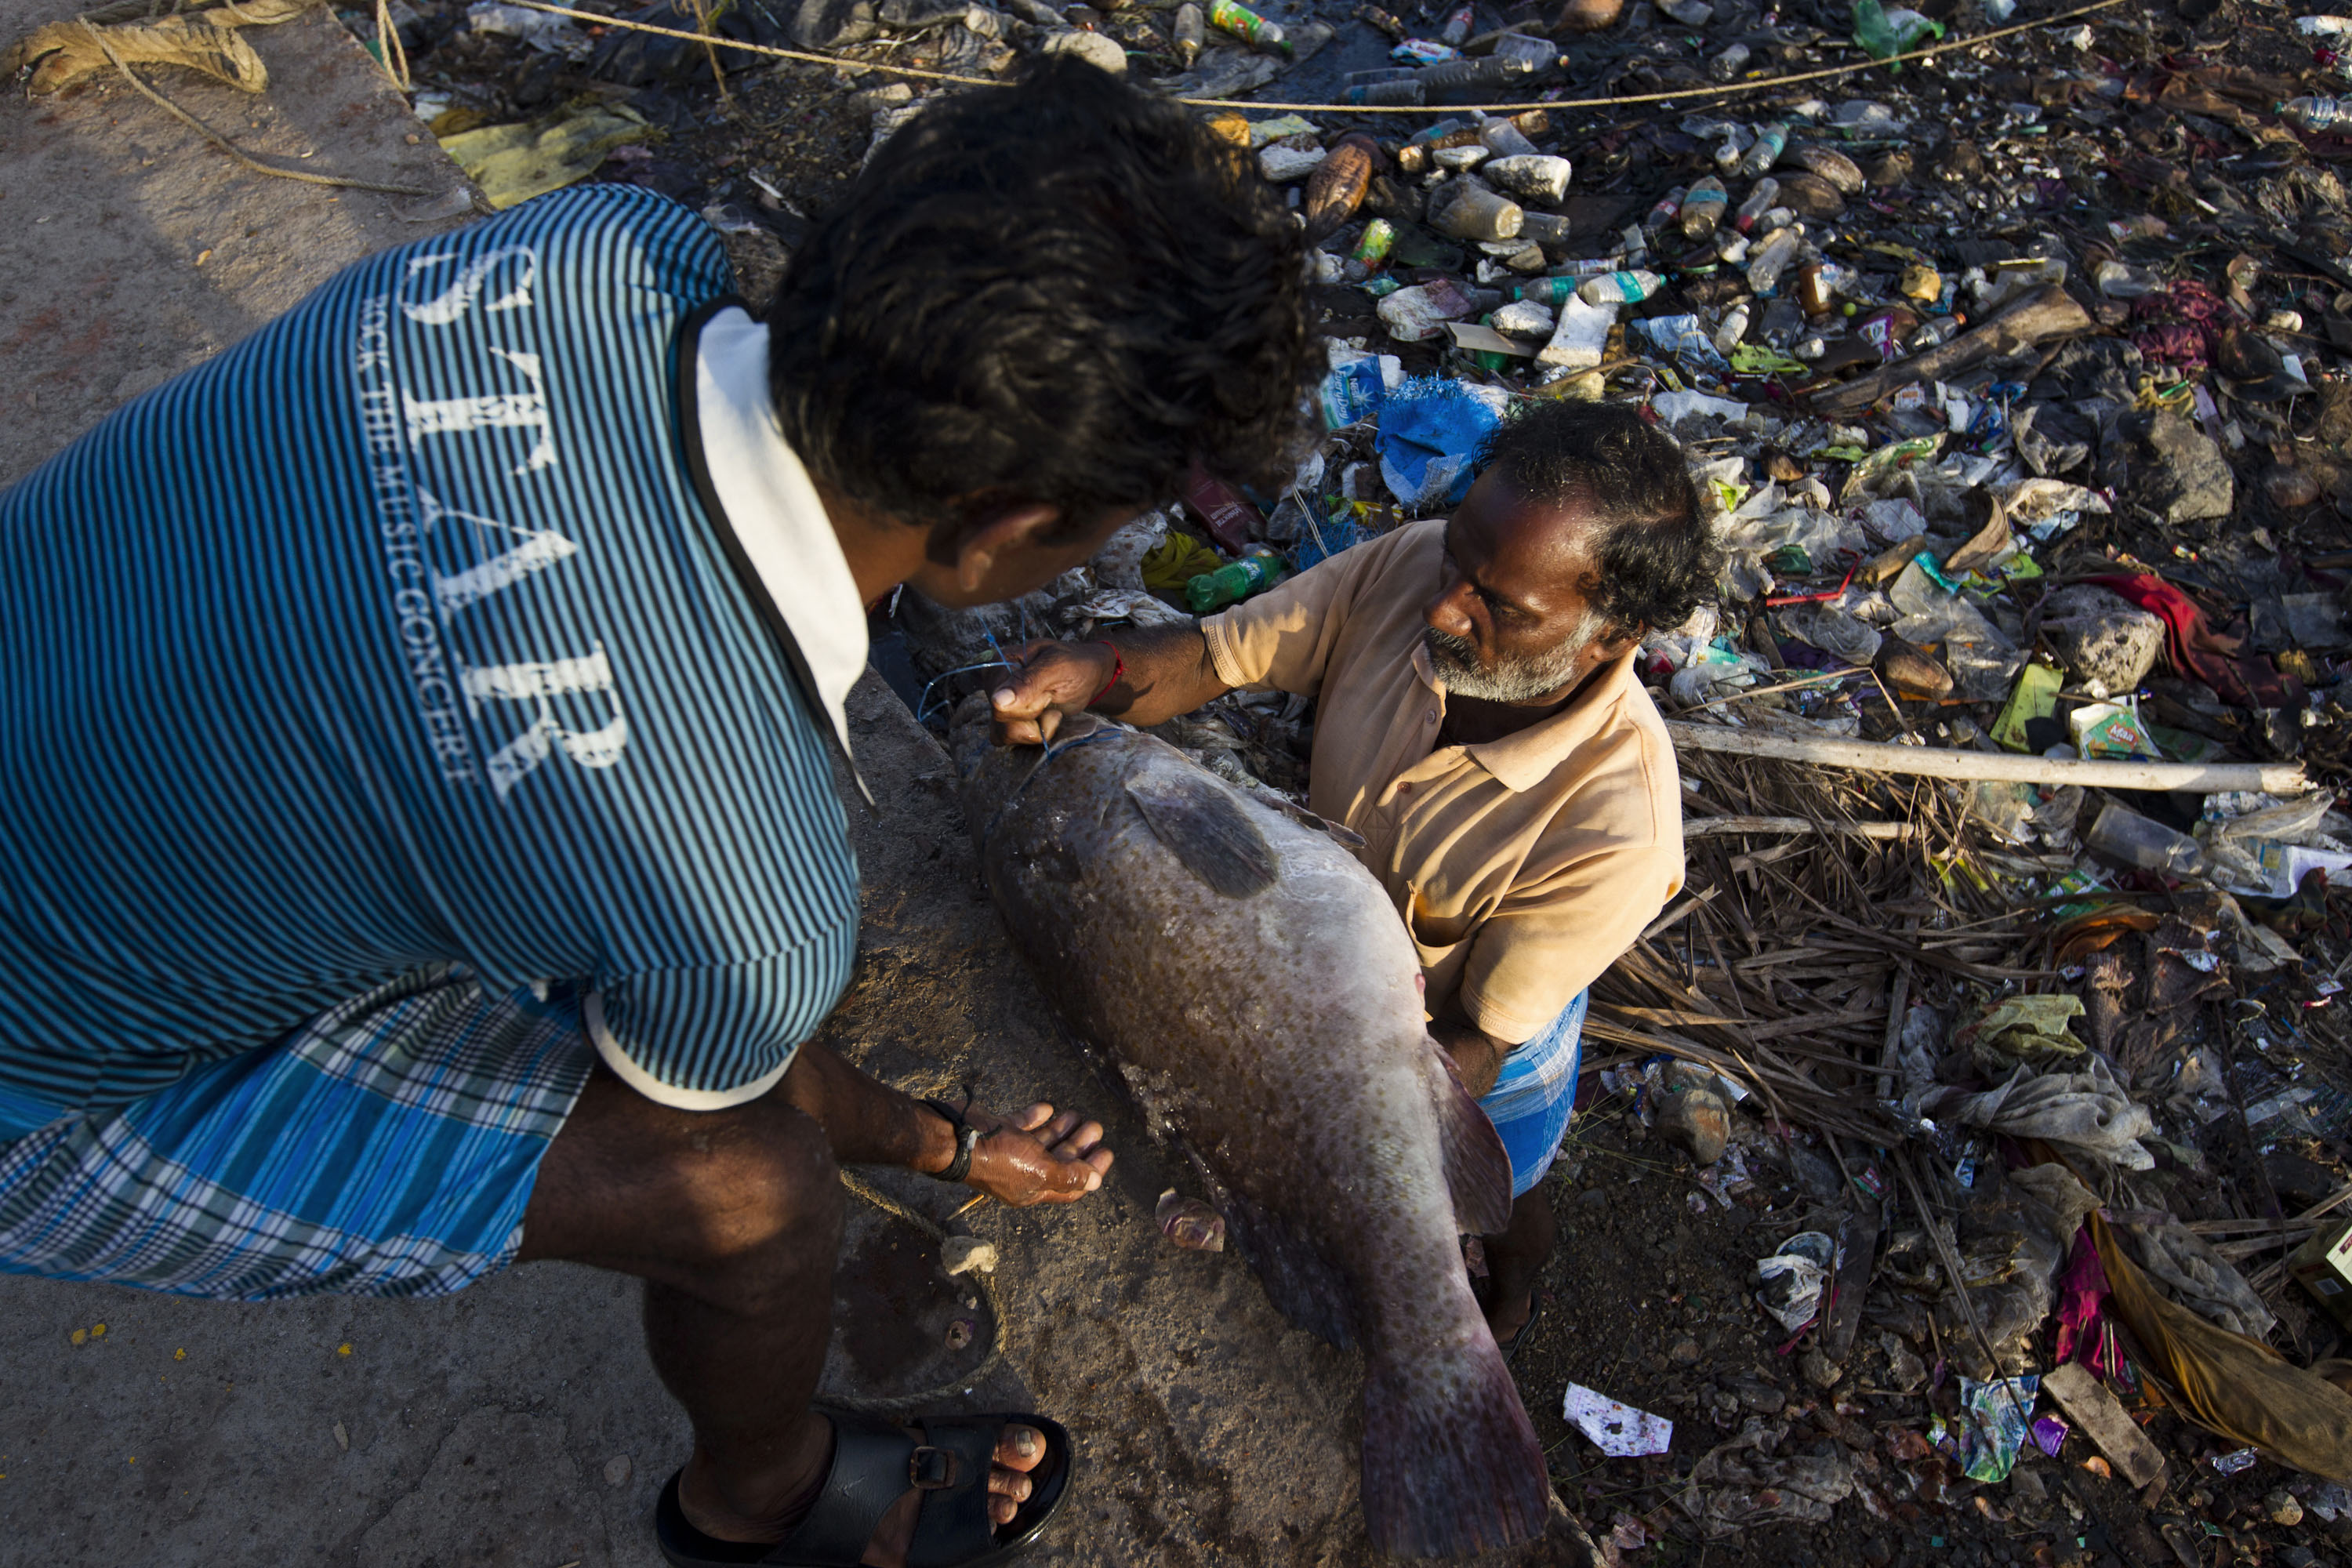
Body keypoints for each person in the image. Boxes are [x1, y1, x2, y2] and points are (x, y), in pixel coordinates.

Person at [0, 58, 1314, 1568]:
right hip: (37, 1086)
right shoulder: (738, 876)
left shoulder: (592, 251)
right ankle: (759, 1504)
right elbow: (753, 1091)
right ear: (1007, 529)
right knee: (749, 1186)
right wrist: (945, 1143)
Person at [989, 401, 1711, 1354]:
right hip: (1325, 962)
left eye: (1503, 607)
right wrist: (1101, 665)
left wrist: (1313, 1114)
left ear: (1611, 636)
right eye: (1458, 559)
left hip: (1481, 1030)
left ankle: (1514, 1294)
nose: (1447, 605)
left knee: (1504, 1187)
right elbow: (1211, 657)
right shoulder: (1414, 566)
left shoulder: (1621, 827)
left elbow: (1478, 1039)